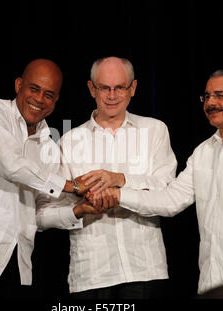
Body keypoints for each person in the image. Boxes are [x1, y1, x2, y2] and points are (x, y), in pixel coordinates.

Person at [109, 70, 223, 299]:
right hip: (212, 284)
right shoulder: (204, 151)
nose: (210, 103)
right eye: (206, 97)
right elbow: (171, 199)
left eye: (219, 95)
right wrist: (118, 195)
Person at [0, 59, 106, 299]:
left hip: (17, 263)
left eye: (49, 94)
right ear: (19, 85)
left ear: (56, 100)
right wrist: (74, 186)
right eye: (34, 89)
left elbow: (38, 214)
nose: (40, 99)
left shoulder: (49, 146)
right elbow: (11, 165)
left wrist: (79, 210)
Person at [36, 57, 178, 298]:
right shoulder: (68, 142)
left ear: (132, 88)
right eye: (104, 88)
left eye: (119, 87)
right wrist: (81, 210)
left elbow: (167, 194)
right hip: (91, 274)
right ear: (92, 89)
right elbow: (42, 214)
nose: (112, 95)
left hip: (145, 270)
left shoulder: (155, 131)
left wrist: (120, 182)